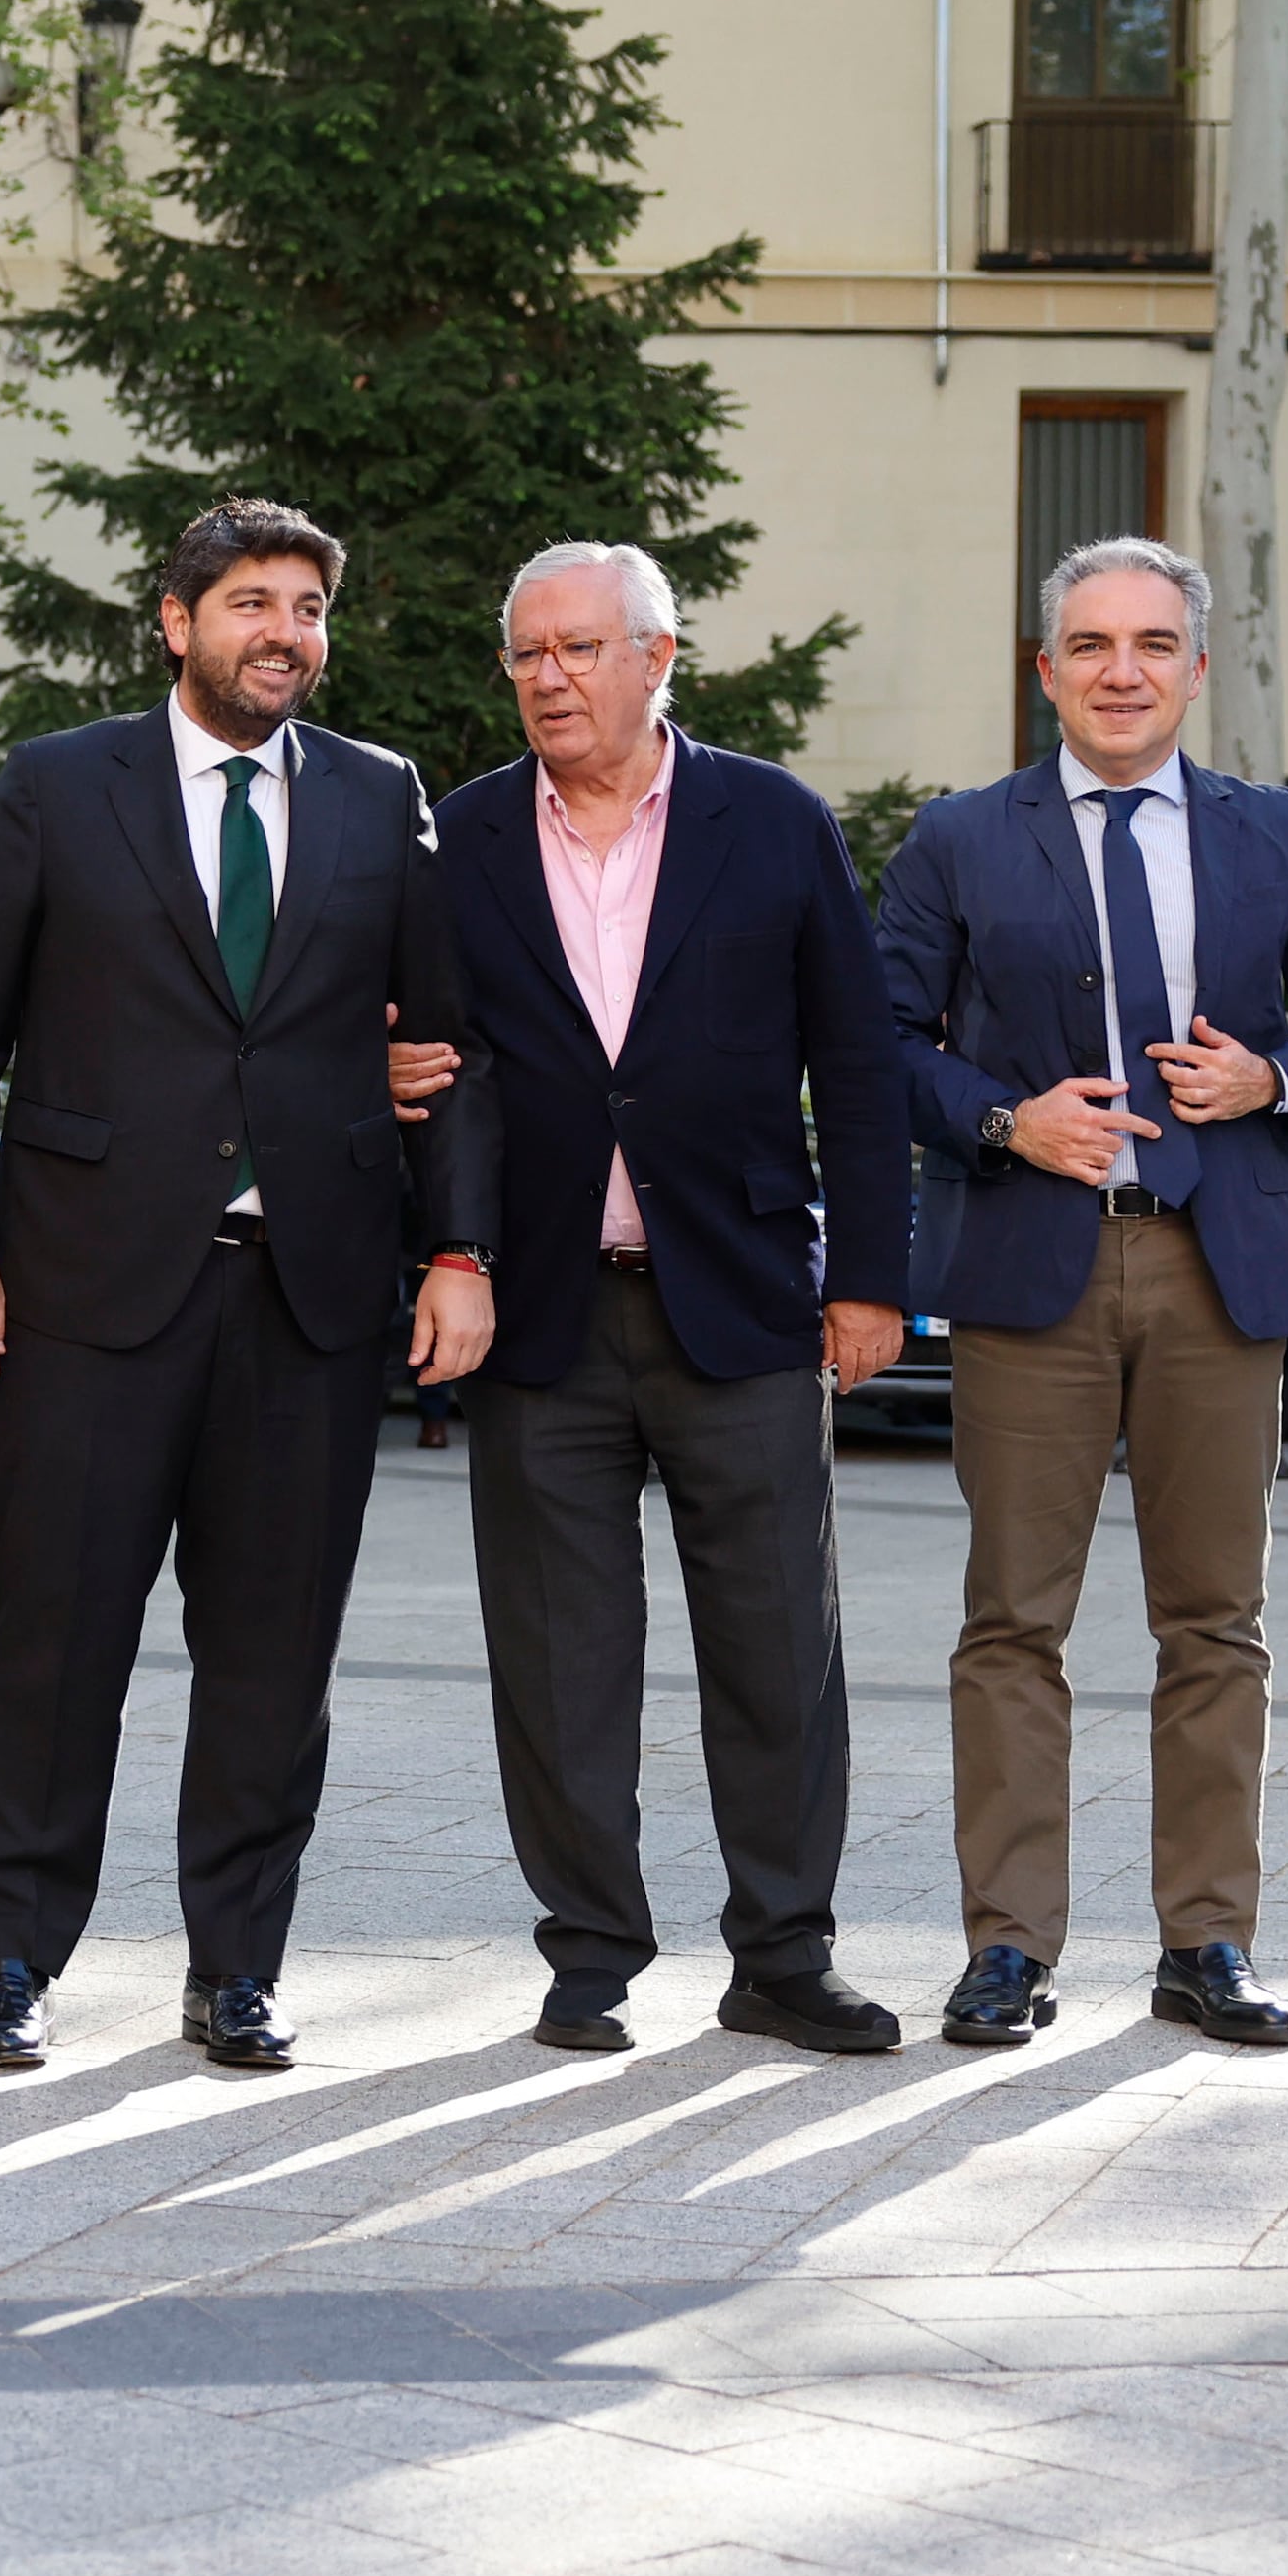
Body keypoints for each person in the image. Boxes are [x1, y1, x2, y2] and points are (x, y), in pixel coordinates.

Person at [0, 498, 500, 2076]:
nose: (282, 632)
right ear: (175, 622)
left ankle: (239, 1966)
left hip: (308, 1302)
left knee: (273, 1660)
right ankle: (18, 1963)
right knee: (55, 1647)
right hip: (88, 1295)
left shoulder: (385, 800)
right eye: (250, 602)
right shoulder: (57, 785)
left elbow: (443, 1053)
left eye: (307, 606)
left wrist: (459, 1250)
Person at [878, 535, 1288, 2054]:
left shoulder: (1276, 837)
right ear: (1045, 670)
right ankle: (1006, 1947)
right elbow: (876, 1035)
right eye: (1092, 645)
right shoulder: (963, 839)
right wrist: (1006, 1117)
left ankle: (1209, 1938)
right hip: (1029, 1263)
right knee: (1013, 1623)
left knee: (1216, 1621)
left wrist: (1278, 1074)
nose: (1124, 671)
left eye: (1153, 645)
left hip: (1216, 1263)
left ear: (1193, 667)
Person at [435, 544, 909, 2061]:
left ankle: (783, 1950)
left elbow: (861, 1062)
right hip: (542, 1315)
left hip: (748, 1299)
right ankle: (589, 1953)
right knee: (560, 1659)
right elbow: (436, 1070)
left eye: (579, 648)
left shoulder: (771, 823)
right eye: (526, 655)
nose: (550, 677)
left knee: (777, 1651)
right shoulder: (462, 840)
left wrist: (875, 1279)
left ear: (660, 655)